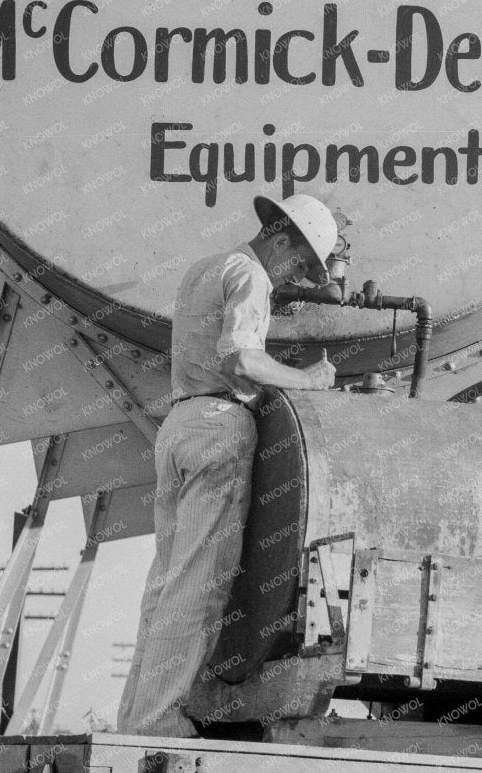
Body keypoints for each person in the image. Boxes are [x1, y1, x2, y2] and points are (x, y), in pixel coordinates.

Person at [115, 193, 341, 737]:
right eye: (303, 264)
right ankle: (157, 721)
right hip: (219, 425)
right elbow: (240, 356)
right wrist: (309, 380)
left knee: (166, 582)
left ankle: (134, 716)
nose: (303, 278)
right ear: (282, 239)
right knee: (200, 585)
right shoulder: (251, 276)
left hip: (180, 425)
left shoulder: (207, 267)